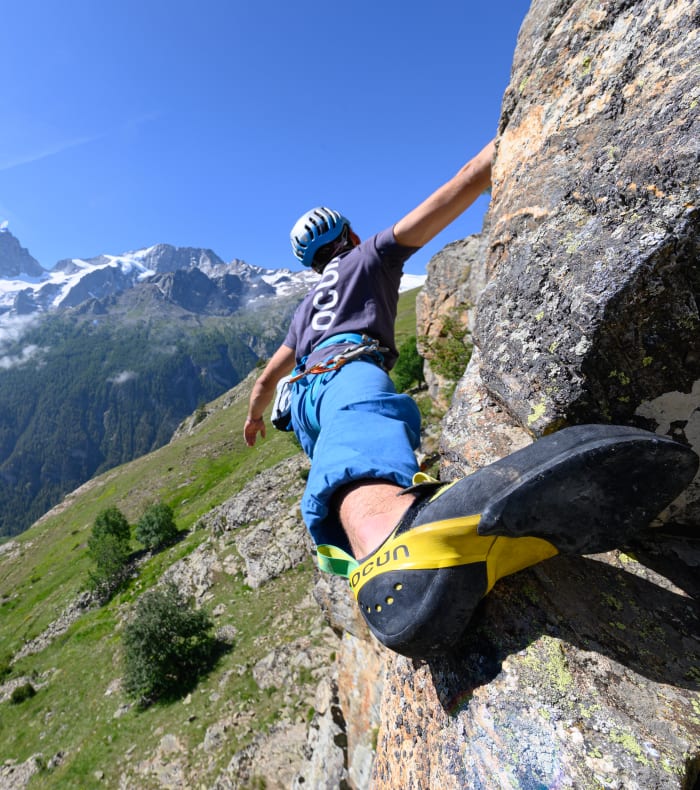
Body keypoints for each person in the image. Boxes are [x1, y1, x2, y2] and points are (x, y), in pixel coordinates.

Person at [244, 140, 698, 657]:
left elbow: (267, 379)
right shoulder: (369, 255)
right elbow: (452, 192)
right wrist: (506, 142)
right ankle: (388, 540)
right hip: (347, 368)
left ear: (310, 264)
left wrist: (256, 418)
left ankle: (374, 559)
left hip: (302, 399)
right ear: (347, 234)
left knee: (340, 453)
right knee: (362, 424)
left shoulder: (305, 306)